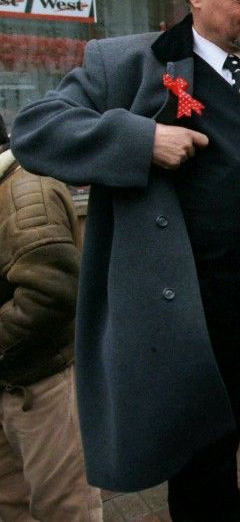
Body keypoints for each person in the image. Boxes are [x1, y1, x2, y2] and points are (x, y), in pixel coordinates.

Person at [11, 0, 240, 519]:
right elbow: (37, 130)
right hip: (195, 328)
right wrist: (141, 140)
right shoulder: (128, 65)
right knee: (204, 488)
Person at [0, 119, 103, 520]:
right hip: (14, 378)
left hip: (44, 385)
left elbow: (54, 290)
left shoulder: (27, 194)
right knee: (13, 503)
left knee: (65, 507)